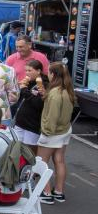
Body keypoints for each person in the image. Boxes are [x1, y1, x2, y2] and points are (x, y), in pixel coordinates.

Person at [37, 62, 75, 205]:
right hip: (64, 131)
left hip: (51, 133)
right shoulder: (67, 91)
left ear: (53, 74)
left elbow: (52, 117)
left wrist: (46, 133)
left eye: (49, 72)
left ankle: (46, 192)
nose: (47, 73)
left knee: (41, 163)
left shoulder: (54, 94)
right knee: (59, 161)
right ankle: (59, 192)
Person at [13, 60, 48, 153]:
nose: (27, 73)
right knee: (16, 148)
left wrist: (24, 90)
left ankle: (31, 167)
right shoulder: (29, 82)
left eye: (30, 70)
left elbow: (38, 103)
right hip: (20, 121)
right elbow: (22, 99)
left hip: (32, 123)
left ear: (38, 71)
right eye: (26, 71)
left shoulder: (43, 84)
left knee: (29, 151)